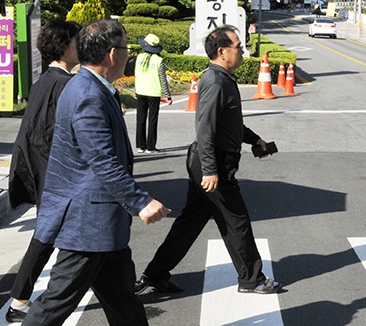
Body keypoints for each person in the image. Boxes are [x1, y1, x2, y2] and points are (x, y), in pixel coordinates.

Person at [22, 20, 170, 326]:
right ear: (113, 54)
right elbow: (101, 161)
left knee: (124, 304)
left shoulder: (92, 88)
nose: (129, 56)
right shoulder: (88, 95)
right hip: (87, 223)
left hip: (103, 223)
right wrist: (140, 201)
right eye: (127, 49)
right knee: (55, 305)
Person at [135, 25, 282, 296]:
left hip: (208, 161)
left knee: (189, 223)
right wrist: (211, 170)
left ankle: (155, 274)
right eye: (239, 47)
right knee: (236, 221)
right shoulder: (215, 82)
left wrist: (254, 140)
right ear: (222, 51)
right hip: (211, 163)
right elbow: (205, 128)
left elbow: (230, 123)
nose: (243, 52)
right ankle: (252, 279)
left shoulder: (223, 78)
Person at [5, 19, 81, 323]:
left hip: (42, 173)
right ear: (63, 46)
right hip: (56, 178)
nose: (81, 48)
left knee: (49, 238)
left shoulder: (44, 82)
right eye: (77, 41)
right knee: (55, 239)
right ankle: (23, 302)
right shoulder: (64, 86)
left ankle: (20, 300)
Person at [135, 33, 172, 154]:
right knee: (152, 120)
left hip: (140, 91)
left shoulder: (139, 57)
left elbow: (136, 74)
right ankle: (150, 147)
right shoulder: (159, 60)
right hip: (153, 92)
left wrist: (136, 89)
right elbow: (162, 79)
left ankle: (140, 145)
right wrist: (168, 95)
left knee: (140, 118)